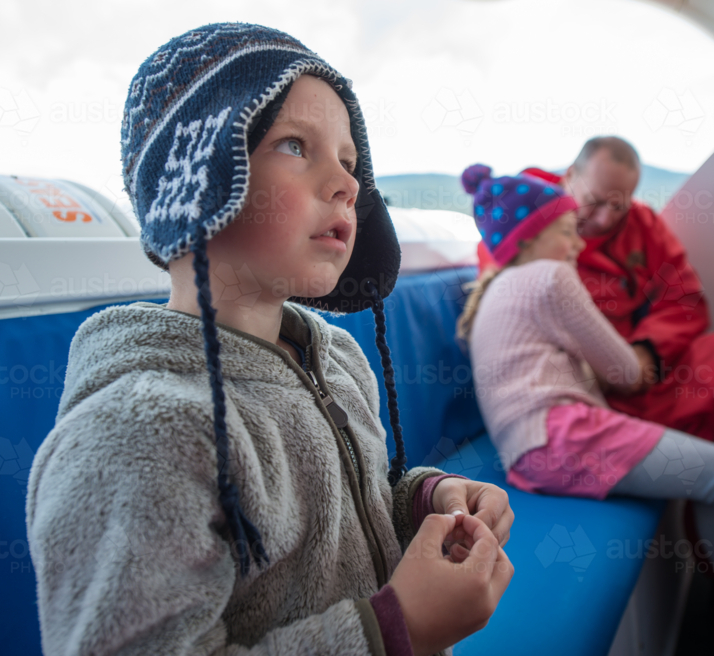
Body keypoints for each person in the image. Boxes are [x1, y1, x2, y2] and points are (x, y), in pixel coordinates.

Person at [25, 24, 514, 656]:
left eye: (349, 161)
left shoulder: (338, 358)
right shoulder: (135, 434)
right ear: (194, 182)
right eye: (294, 145)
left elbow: (345, 521)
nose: (348, 184)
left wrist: (425, 500)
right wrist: (398, 629)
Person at [459, 163, 714, 656]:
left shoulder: (495, 289)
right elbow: (622, 369)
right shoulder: (551, 277)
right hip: (563, 435)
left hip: (534, 449)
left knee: (713, 481)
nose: (578, 243)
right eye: (566, 230)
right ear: (531, 237)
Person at [476, 136, 714, 527]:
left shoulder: (643, 224)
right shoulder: (522, 220)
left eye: (619, 205)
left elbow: (683, 297)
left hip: (642, 368)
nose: (604, 219)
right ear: (570, 176)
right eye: (594, 202)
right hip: (578, 385)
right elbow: (512, 321)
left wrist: (648, 351)